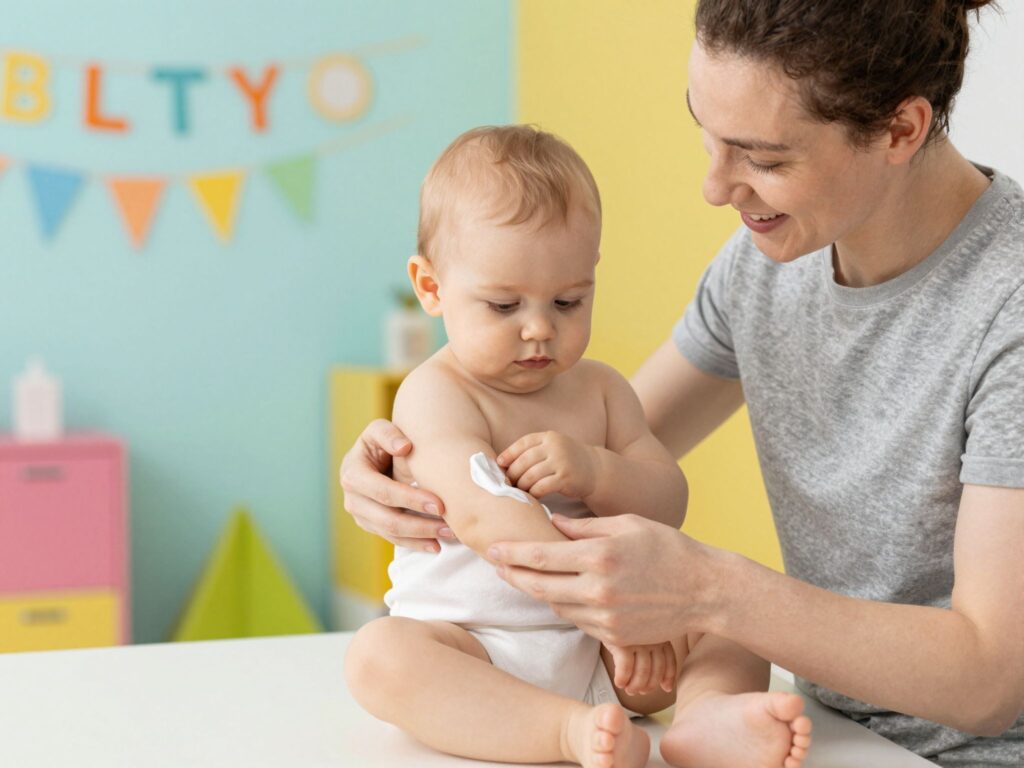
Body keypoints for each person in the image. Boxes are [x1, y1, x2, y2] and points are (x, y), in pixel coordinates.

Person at [341, 1, 1024, 765]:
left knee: (732, 627)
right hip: (832, 729)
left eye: (762, 158)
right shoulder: (766, 268)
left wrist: (706, 590)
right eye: (707, 135)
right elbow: (587, 444)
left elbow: (990, 680)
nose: (713, 187)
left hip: (966, 755)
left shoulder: (1011, 306)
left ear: (901, 129)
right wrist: (403, 460)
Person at [343, 124, 813, 768]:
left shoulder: (600, 391)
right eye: (504, 305)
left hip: (603, 652)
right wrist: (609, 615)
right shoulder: (435, 395)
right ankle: (564, 732)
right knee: (380, 658)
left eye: (568, 301)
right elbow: (489, 523)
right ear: (431, 288)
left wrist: (596, 471)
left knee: (739, 624)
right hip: (475, 645)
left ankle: (706, 720)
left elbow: (665, 497)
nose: (540, 328)